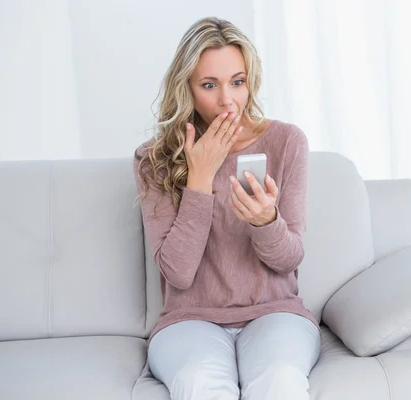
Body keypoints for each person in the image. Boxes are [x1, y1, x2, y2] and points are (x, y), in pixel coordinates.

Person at [133, 16, 321, 400]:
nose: (227, 100)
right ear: (186, 87)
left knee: (281, 381)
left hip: (276, 312)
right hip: (189, 320)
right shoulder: (154, 159)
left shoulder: (287, 142)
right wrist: (200, 179)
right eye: (209, 85)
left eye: (237, 81)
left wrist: (267, 221)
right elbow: (178, 274)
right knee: (200, 385)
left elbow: (289, 260)